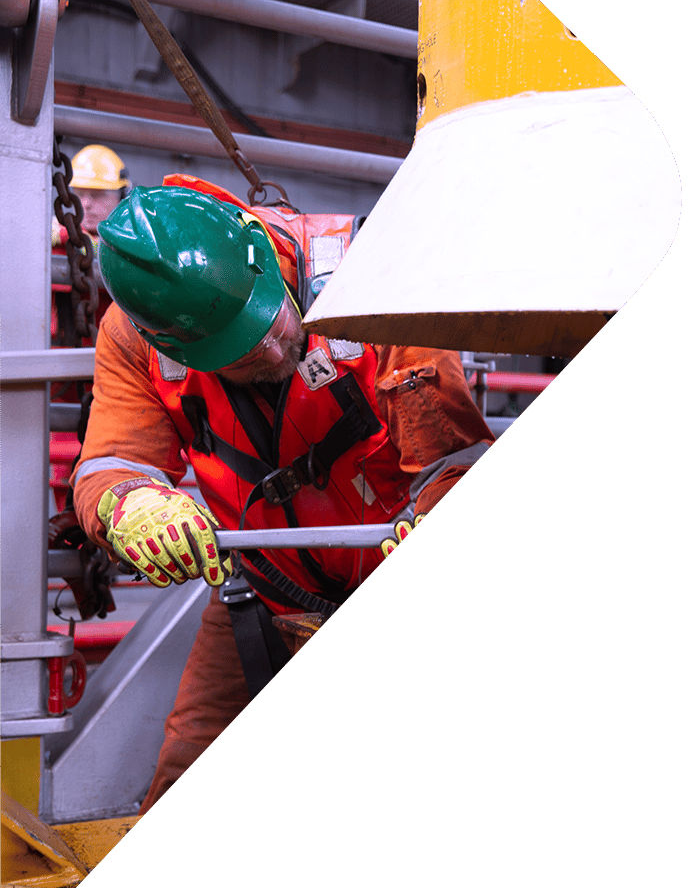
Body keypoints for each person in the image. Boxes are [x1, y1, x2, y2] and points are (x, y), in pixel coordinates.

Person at [71, 176, 495, 811]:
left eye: (267, 317)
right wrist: (132, 504)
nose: (272, 344)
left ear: (258, 248)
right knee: (185, 774)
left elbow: (452, 460)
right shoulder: (136, 337)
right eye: (239, 349)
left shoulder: (374, 273)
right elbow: (111, 460)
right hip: (263, 595)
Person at [51, 145, 131, 511]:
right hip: (60, 398)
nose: (88, 204)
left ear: (121, 197)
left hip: (115, 389)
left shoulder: (132, 250)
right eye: (80, 194)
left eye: (99, 195)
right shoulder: (48, 248)